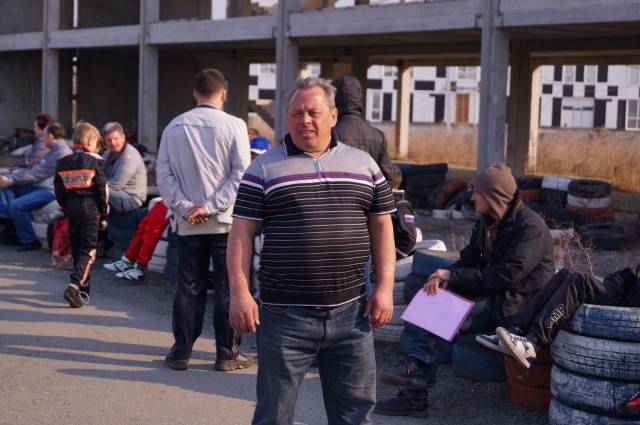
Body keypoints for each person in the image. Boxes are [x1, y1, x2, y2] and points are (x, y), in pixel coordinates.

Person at [228, 76, 397, 425]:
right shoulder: (262, 169)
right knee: (274, 415)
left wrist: (384, 288)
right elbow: (241, 233)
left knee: (355, 415)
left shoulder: (365, 165)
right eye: (296, 113)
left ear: (333, 116)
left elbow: (382, 227)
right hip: (284, 316)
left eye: (313, 113)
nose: (304, 120)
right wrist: (240, 292)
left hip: (352, 314)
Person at [375, 163, 555, 418]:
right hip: (496, 296)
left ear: (494, 196)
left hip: (519, 308)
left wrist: (452, 276)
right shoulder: (487, 222)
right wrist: (445, 277)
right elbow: (469, 259)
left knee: (442, 310)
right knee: (431, 297)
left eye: (477, 192)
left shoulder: (530, 228)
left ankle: (414, 382)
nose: (471, 197)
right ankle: (414, 381)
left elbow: (507, 275)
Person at [156, 68, 252, 372]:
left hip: (187, 223)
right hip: (225, 222)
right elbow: (241, 175)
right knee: (227, 286)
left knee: (188, 286)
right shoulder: (235, 125)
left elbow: (164, 175)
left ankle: (181, 352)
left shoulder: (174, 126)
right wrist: (210, 207)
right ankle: (226, 353)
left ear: (195, 93)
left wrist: (187, 207)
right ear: (223, 94)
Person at [476, 266, 640, 368]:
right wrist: (630, 276)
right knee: (567, 273)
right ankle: (516, 332)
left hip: (630, 315)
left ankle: (533, 343)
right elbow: (619, 279)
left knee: (579, 280)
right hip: (624, 294)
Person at [54, 122, 108, 308]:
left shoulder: (62, 161)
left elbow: (59, 191)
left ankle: (81, 293)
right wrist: (103, 214)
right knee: (88, 250)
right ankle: (74, 285)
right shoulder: (96, 161)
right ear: (91, 141)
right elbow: (102, 191)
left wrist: (66, 208)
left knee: (77, 249)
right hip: (90, 209)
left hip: (72, 208)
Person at [0, 122, 72, 251]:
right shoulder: (54, 150)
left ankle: (30, 240)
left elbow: (36, 173)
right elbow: (34, 169)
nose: (42, 139)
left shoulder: (61, 153)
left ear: (50, 136)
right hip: (41, 186)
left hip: (51, 191)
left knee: (16, 205)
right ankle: (9, 226)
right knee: (5, 186)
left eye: (44, 136)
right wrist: (9, 177)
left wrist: (12, 179)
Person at [331, 76, 395, 183]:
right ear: (359, 98)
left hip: (339, 192)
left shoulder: (330, 134)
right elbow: (388, 177)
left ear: (334, 99)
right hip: (370, 192)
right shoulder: (378, 135)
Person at [103, 199, 170, 282]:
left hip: (175, 201)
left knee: (151, 232)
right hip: (167, 199)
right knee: (143, 226)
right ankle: (127, 260)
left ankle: (140, 267)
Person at [102, 122, 147, 214]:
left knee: (98, 192)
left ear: (123, 137)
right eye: (109, 140)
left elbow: (115, 185)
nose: (113, 143)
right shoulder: (108, 154)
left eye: (115, 138)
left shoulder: (130, 155)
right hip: (117, 195)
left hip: (132, 198)